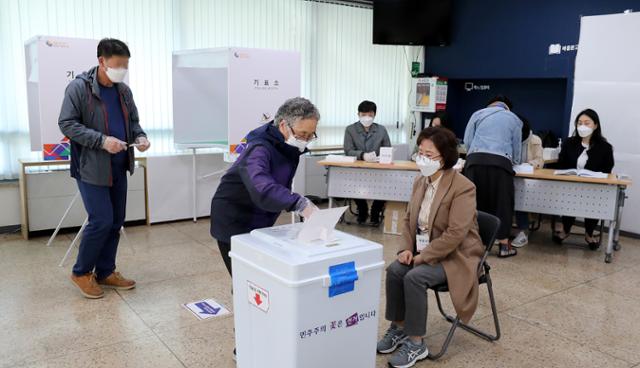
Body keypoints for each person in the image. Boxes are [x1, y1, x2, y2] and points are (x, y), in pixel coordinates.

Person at [377, 127, 484, 368]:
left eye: (429, 154)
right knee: (395, 270)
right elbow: (408, 219)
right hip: (425, 249)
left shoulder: (463, 187)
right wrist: (406, 248)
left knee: (414, 277)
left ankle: (416, 343)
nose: (423, 159)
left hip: (456, 256)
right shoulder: (420, 181)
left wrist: (422, 256)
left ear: (445, 157)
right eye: (420, 153)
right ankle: (399, 327)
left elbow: (455, 234)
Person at [58, 38, 150, 299]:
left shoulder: (123, 91)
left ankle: (105, 271)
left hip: (119, 166)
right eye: (118, 64)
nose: (122, 69)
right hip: (91, 167)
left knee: (115, 222)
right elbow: (67, 124)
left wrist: (140, 136)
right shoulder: (78, 88)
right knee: (101, 221)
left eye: (125, 65)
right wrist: (101, 140)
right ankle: (81, 272)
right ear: (102, 61)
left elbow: (134, 122)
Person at [210, 97, 320, 277]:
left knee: (260, 278)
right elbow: (261, 185)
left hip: (259, 214)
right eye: (302, 134)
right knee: (244, 278)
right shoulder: (259, 147)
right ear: (283, 125)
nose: (305, 140)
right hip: (234, 216)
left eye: (311, 135)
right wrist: (298, 203)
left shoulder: (286, 145)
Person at [463, 95, 522, 258]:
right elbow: (517, 148)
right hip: (500, 163)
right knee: (502, 202)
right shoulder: (514, 119)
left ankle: (473, 244)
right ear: (507, 107)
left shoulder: (477, 114)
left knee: (474, 202)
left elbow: (468, 141)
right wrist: (515, 161)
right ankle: (504, 245)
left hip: (474, 161)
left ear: (489, 106)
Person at [553, 109, 614, 249]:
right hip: (571, 184)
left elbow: (607, 169)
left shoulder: (605, 147)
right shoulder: (569, 143)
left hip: (594, 187)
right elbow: (561, 163)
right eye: (579, 123)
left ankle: (589, 234)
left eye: (587, 123)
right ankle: (566, 230)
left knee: (594, 202)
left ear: (595, 125)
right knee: (569, 199)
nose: (582, 126)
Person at [343, 100, 391, 225]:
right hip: (357, 168)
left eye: (370, 115)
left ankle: (376, 211)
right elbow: (348, 150)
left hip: (378, 168)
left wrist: (382, 157)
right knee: (353, 186)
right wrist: (363, 155)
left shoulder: (381, 130)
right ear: (358, 114)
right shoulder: (350, 130)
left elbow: (388, 148)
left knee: (385, 186)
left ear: (374, 115)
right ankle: (362, 209)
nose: (367, 117)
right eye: (363, 114)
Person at [512, 114, 544, 248]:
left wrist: (528, 165)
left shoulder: (534, 140)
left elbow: (540, 161)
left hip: (527, 179)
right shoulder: (508, 138)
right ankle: (500, 230)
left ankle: (523, 231)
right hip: (511, 176)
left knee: (521, 197)